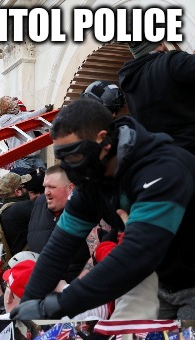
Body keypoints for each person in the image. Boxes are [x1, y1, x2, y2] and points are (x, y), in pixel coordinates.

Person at [12, 98, 195, 320]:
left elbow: (138, 254)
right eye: (62, 158)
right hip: (163, 280)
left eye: (75, 155)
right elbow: (58, 249)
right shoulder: (93, 179)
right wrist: (28, 308)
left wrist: (58, 305)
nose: (68, 167)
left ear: (103, 141)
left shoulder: (163, 170)